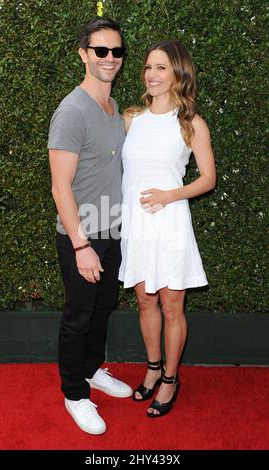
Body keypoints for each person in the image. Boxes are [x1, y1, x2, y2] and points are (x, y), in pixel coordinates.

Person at [118, 40, 216, 418]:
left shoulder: (190, 123)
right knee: (145, 299)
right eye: (148, 67)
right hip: (136, 225)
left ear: (179, 72)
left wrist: (170, 194)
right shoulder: (131, 119)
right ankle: (153, 368)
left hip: (171, 221)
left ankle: (171, 379)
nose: (152, 74)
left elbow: (208, 178)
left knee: (173, 305)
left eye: (161, 67)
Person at [48, 17, 132, 436]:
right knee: (79, 315)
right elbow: (60, 185)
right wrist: (81, 245)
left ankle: (92, 369)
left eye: (117, 51)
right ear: (84, 54)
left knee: (102, 309)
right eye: (101, 50)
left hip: (113, 232)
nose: (110, 58)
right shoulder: (72, 111)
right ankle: (74, 393)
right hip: (83, 236)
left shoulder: (115, 109)